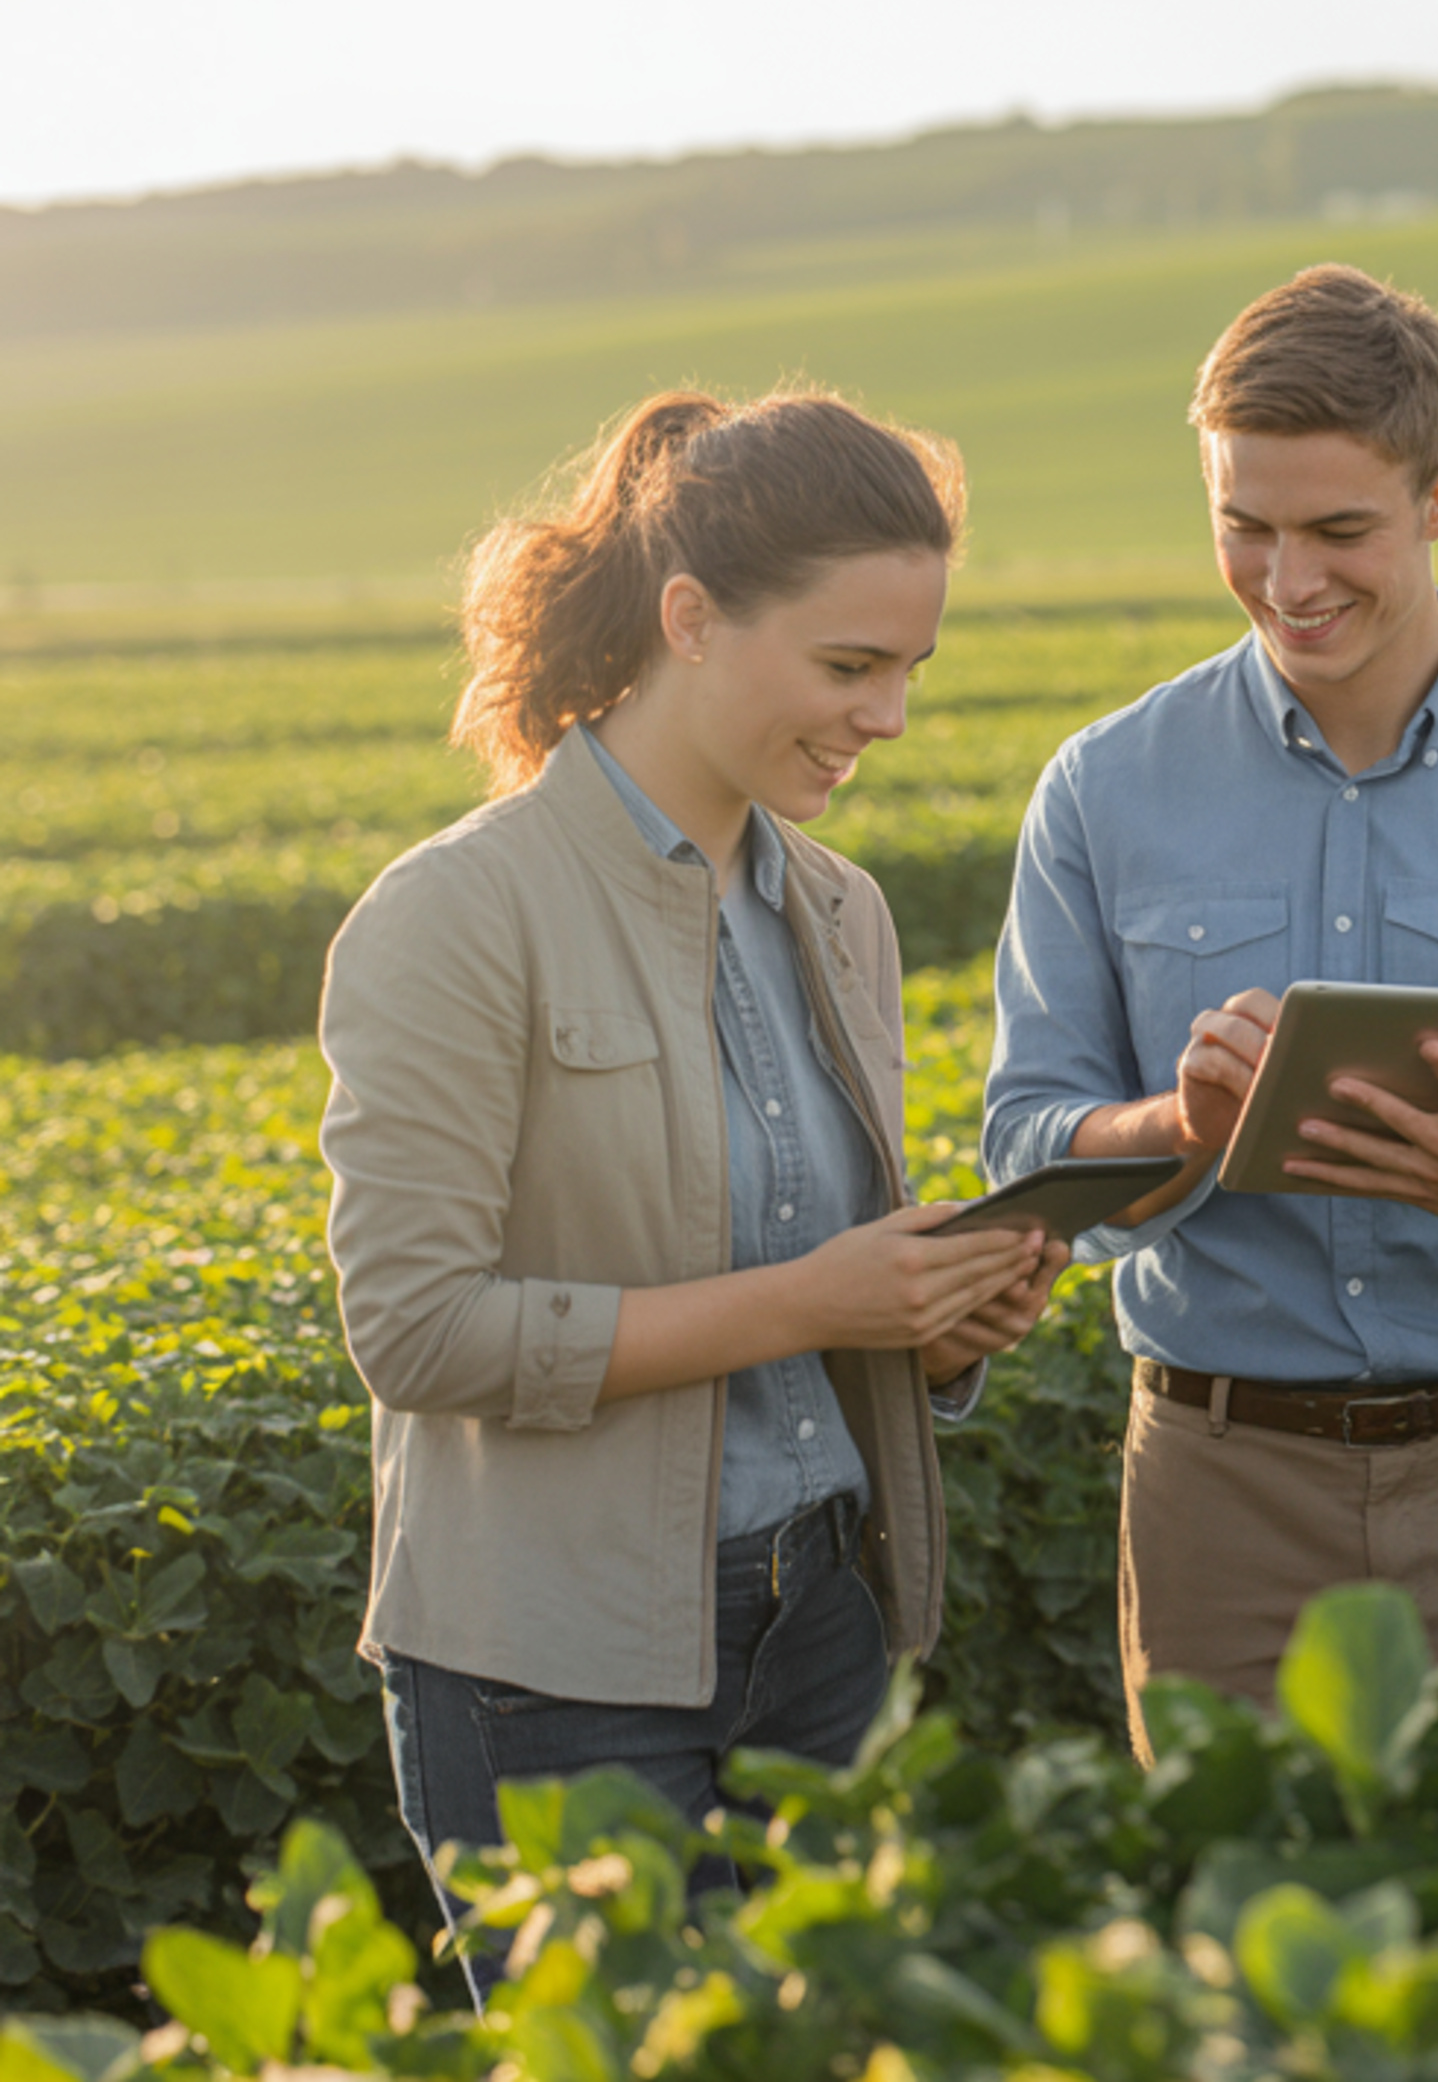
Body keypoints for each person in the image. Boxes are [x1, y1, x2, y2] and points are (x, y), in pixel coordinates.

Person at [317, 388, 1069, 1983]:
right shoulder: (457, 916)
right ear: (690, 619)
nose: (888, 717)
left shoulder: (843, 912)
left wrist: (937, 1316)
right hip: (551, 1668)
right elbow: (418, 1332)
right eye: (849, 667)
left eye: (911, 670)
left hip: (822, 1629)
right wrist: (810, 1301)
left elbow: (825, 1287)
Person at [981, 265, 1438, 1760]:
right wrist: (1179, 1127)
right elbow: (1027, 1147)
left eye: (1337, 531)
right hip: (1215, 1487)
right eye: (1242, 526)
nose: (1286, 578)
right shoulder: (1104, 788)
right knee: (1234, 1892)